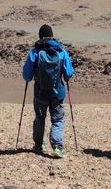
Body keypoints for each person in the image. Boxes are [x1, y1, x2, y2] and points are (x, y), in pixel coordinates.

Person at [22, 24, 74, 159]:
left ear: (40, 36)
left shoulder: (34, 52)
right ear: (52, 35)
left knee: (40, 119)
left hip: (40, 94)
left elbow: (27, 76)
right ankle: (57, 146)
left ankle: (39, 146)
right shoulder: (61, 51)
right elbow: (68, 73)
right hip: (58, 93)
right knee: (57, 119)